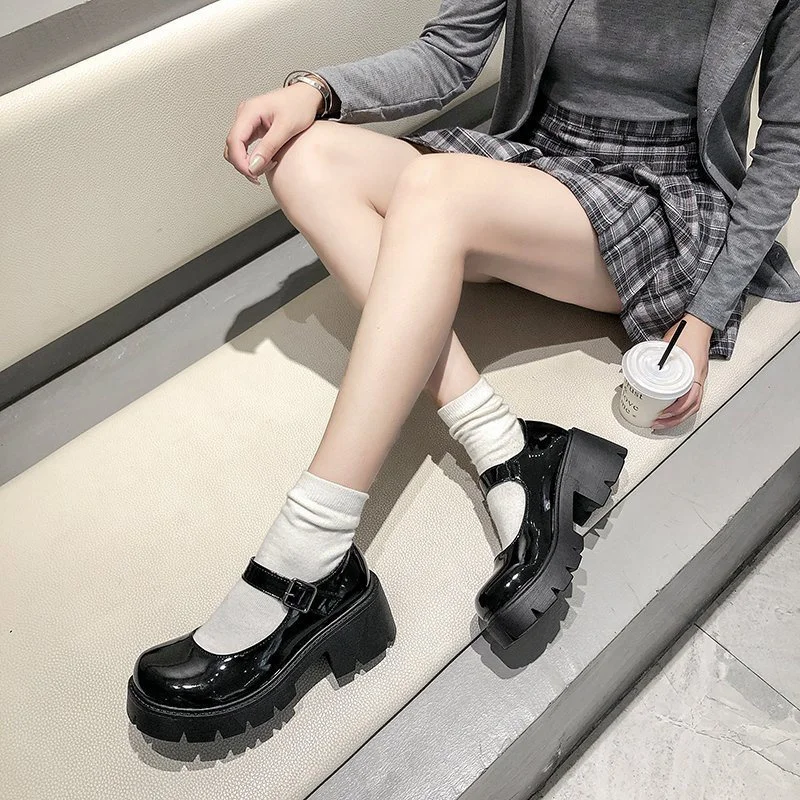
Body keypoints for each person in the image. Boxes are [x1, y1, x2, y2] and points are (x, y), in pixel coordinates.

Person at [126, 0, 800, 743]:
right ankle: (505, 446)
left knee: (433, 190)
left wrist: (702, 317)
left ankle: (310, 548)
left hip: (658, 196)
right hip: (530, 164)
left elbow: (785, 143)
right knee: (304, 157)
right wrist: (315, 91)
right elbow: (448, 53)